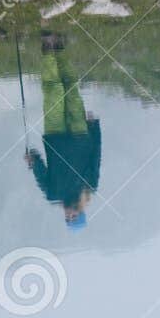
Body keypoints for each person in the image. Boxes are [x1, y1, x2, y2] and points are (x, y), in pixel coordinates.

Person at [25, 32, 101, 230]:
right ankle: (59, 48)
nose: (69, 215)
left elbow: (40, 171)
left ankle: (48, 50)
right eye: (74, 217)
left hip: (54, 136)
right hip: (81, 135)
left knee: (53, 92)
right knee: (71, 89)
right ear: (81, 213)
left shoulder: (52, 194)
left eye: (68, 219)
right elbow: (96, 157)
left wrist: (32, 159)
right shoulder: (90, 187)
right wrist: (94, 127)